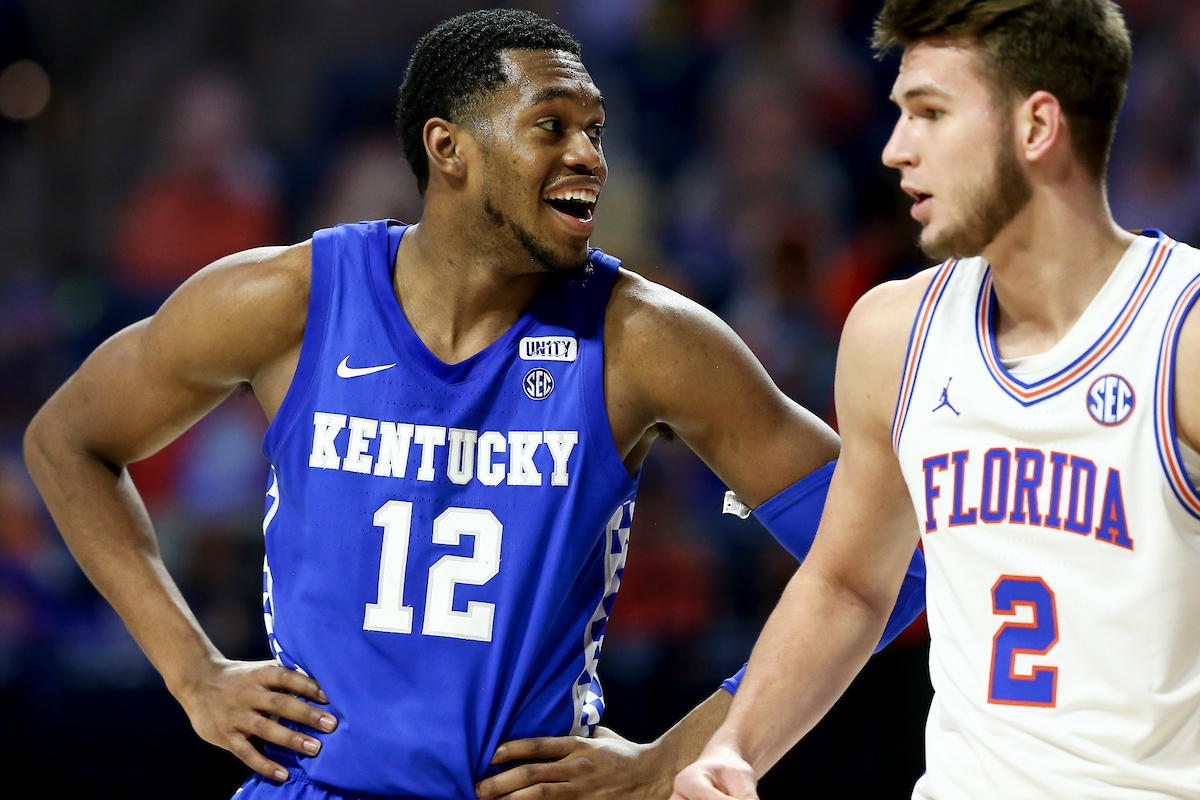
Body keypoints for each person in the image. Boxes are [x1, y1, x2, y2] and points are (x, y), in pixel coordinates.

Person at [24, 10, 925, 800]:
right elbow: (67, 442)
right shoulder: (287, 301)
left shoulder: (647, 339)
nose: (590, 157)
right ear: (447, 148)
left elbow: (885, 563)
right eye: (552, 126)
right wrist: (191, 672)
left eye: (596, 129)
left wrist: (679, 759)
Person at [672, 1, 1200, 798]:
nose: (894, 150)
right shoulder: (893, 334)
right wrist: (735, 748)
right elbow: (849, 583)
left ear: (1036, 127)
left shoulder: (1181, 336)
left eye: (929, 114)